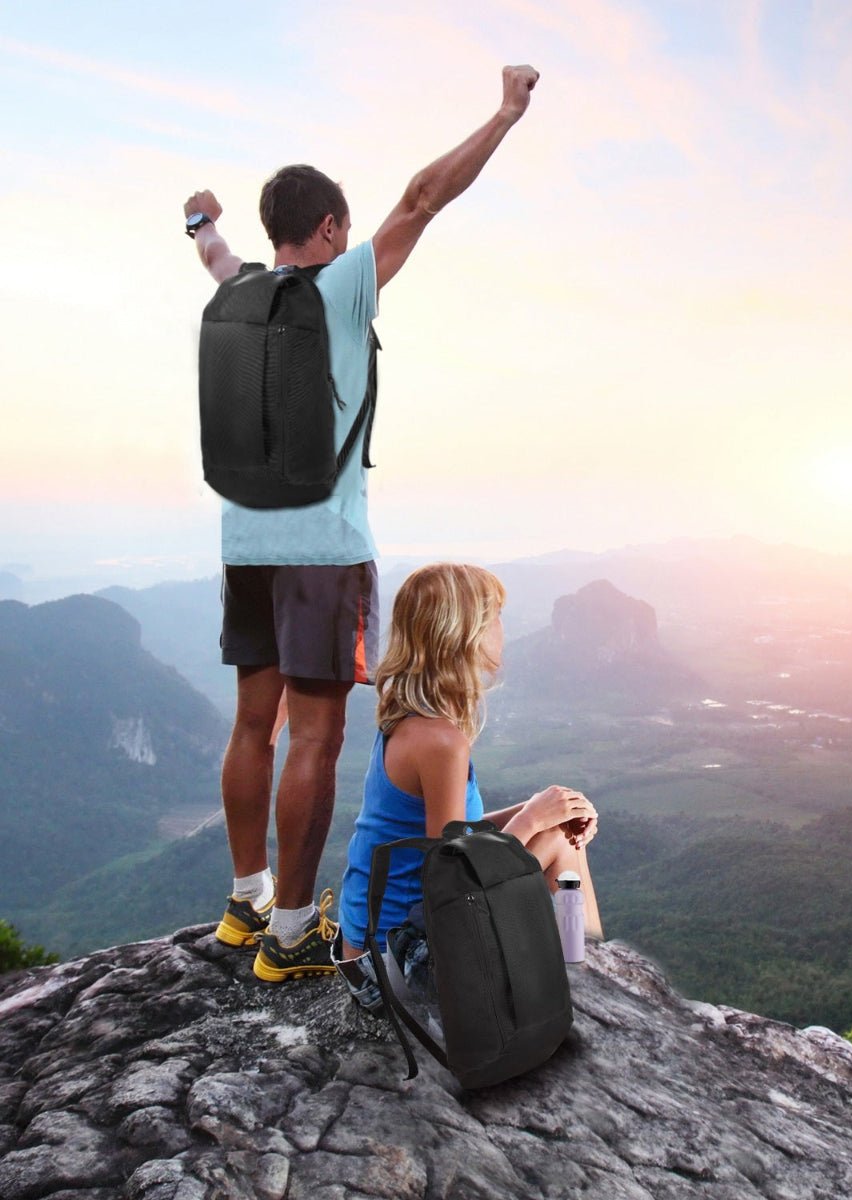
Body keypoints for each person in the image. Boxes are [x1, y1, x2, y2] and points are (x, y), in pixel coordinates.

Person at [183, 65, 542, 983]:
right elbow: (425, 196)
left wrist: (200, 222)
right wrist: (504, 111)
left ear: (273, 233)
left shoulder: (238, 291)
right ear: (333, 228)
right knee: (315, 736)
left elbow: (213, 254)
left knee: (250, 724)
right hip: (321, 550)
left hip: (243, 539)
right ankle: (295, 930)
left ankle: (245, 898)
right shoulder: (341, 286)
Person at [334, 562, 603, 1014]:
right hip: (399, 962)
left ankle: (584, 962)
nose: (502, 628)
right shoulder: (442, 742)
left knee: (556, 830)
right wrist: (534, 819)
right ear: (463, 635)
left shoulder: (409, 717)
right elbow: (453, 877)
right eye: (493, 617)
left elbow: (450, 836)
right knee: (559, 844)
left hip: (369, 951)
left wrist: (541, 807)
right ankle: (589, 966)